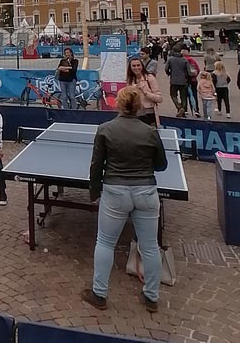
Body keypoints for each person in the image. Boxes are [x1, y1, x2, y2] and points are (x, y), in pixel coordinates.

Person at [81, 86, 167, 313]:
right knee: (150, 247)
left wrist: (94, 193)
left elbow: (96, 166)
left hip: (115, 192)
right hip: (146, 192)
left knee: (105, 243)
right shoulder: (150, 131)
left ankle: (99, 294)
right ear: (139, 106)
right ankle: (151, 298)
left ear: (117, 104)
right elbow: (161, 165)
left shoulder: (105, 129)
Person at [126, 58, 162, 126]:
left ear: (142, 66)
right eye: (133, 66)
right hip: (135, 114)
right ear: (130, 68)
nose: (136, 68)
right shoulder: (129, 80)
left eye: (138, 65)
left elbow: (159, 99)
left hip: (149, 113)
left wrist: (144, 92)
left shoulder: (149, 78)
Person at [165, 44, 190, 117]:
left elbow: (166, 69)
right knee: (183, 97)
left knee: (173, 95)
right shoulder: (184, 59)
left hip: (173, 80)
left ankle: (178, 106)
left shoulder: (170, 59)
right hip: (183, 80)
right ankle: (183, 109)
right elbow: (188, 72)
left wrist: (169, 73)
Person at [181, 47, 201, 117]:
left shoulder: (181, 60)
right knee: (194, 94)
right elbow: (198, 69)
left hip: (183, 80)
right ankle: (196, 110)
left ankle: (185, 110)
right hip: (193, 80)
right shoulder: (192, 60)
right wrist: (194, 76)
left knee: (184, 95)